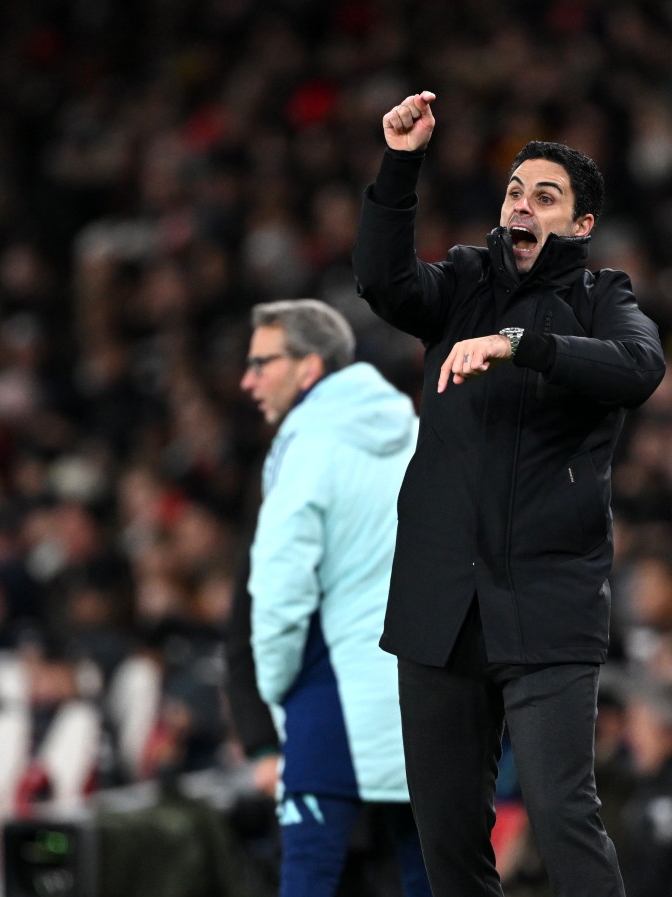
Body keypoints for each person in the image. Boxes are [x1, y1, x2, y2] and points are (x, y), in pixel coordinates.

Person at [352, 91, 666, 897]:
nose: (523, 205)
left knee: (563, 812)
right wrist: (400, 163)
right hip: (439, 602)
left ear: (581, 225)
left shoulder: (604, 300)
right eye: (515, 192)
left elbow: (639, 370)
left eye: (546, 197)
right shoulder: (461, 282)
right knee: (448, 833)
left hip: (547, 600)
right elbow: (382, 282)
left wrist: (523, 346)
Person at [240, 299, 430, 897]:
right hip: (426, 687)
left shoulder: (307, 447)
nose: (248, 381)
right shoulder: (419, 435)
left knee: (308, 880)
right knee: (435, 876)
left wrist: (275, 688)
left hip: (330, 691)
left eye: (262, 363)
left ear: (310, 366)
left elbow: (278, 587)